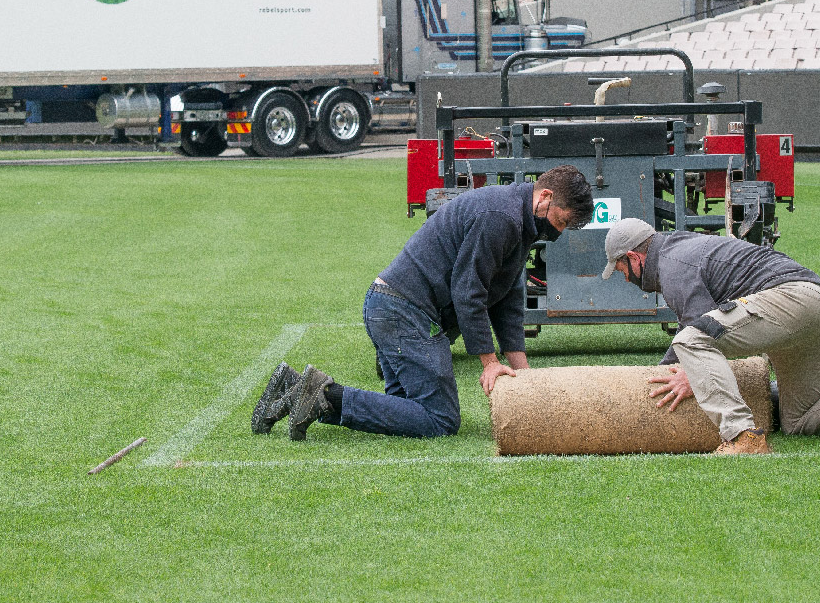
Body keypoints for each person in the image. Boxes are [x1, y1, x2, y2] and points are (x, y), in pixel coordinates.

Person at [252, 165, 595, 440]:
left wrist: (523, 374)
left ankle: (294, 387)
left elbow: (505, 299)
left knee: (405, 412)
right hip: (403, 312)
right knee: (440, 419)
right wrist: (490, 363)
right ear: (545, 196)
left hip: (393, 308)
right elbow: (468, 291)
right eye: (561, 221)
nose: (559, 231)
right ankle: (323, 395)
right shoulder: (500, 217)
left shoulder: (518, 222)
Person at [599, 217, 820, 455]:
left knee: (690, 341)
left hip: (792, 301)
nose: (624, 277)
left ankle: (741, 435)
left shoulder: (672, 263)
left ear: (634, 257)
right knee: (797, 421)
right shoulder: (680, 249)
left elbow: (697, 326)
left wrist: (683, 373)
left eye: (620, 268)